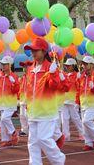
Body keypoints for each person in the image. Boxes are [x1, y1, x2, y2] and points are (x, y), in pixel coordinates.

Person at [23, 37, 65, 165]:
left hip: (46, 111)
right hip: (33, 111)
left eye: (36, 50)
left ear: (43, 51)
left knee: (43, 139)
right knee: (32, 142)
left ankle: (58, 160)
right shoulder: (30, 69)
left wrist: (53, 74)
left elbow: (55, 87)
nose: (33, 53)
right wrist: (27, 103)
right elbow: (29, 89)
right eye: (32, 50)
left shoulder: (50, 68)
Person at [79, 56, 94, 151]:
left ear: (91, 65)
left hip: (93, 104)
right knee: (84, 124)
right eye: (83, 64)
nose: (84, 66)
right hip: (84, 103)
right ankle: (88, 143)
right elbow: (80, 89)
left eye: (86, 64)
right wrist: (77, 101)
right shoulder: (82, 76)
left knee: (87, 121)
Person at [0, 56, 20, 147]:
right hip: (2, 103)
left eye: (5, 64)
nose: (3, 66)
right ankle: (6, 140)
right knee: (2, 121)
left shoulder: (14, 76)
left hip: (10, 103)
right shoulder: (1, 76)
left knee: (4, 118)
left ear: (9, 65)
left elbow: (16, 90)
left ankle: (13, 133)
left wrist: (14, 83)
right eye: (2, 64)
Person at [61, 58, 84, 141]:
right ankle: (66, 135)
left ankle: (82, 133)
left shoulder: (77, 75)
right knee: (64, 119)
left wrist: (78, 101)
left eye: (68, 65)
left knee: (76, 118)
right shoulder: (65, 75)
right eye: (66, 65)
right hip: (64, 100)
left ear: (73, 66)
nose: (67, 67)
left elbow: (79, 88)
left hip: (73, 100)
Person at [18, 60, 33, 136]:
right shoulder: (23, 77)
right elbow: (20, 88)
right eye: (23, 66)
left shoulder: (32, 77)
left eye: (25, 66)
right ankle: (24, 130)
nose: (24, 68)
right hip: (22, 99)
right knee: (22, 115)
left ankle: (32, 130)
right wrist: (18, 97)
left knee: (28, 116)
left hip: (29, 100)